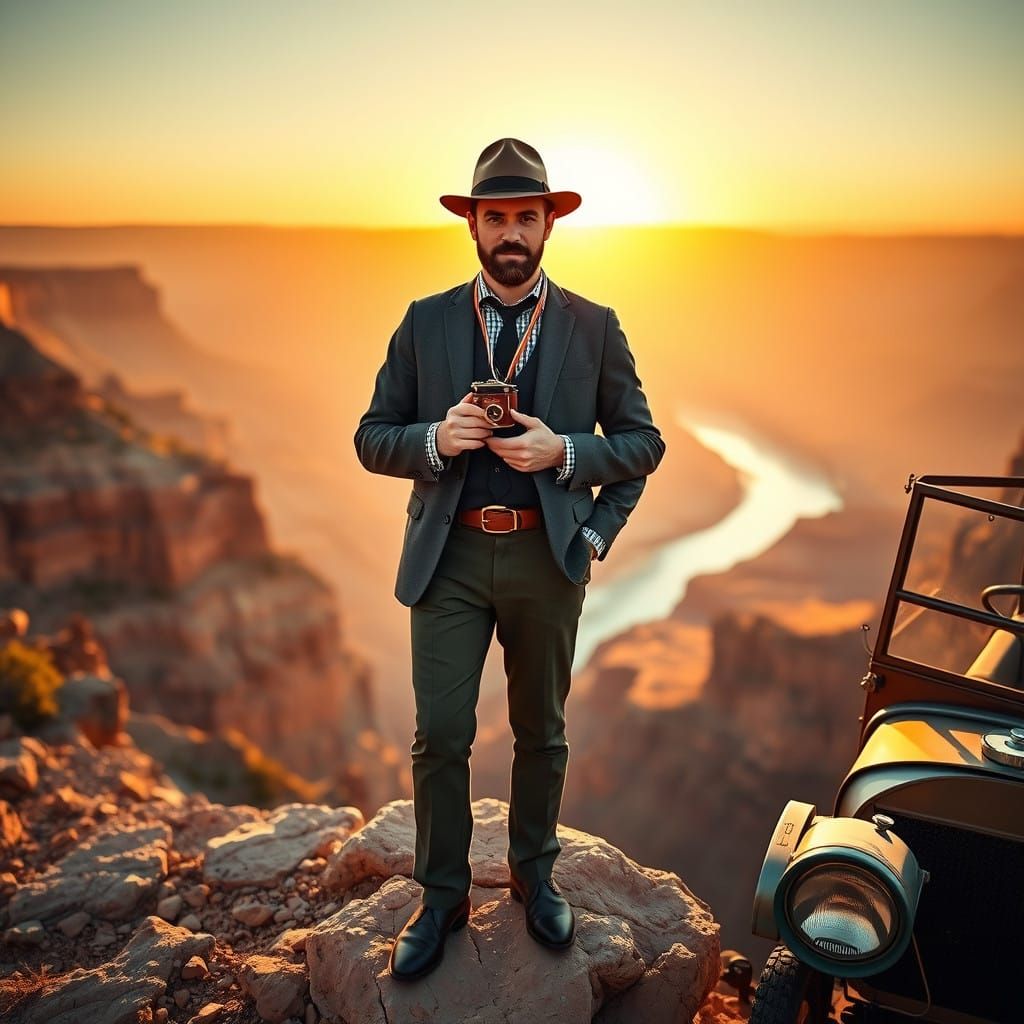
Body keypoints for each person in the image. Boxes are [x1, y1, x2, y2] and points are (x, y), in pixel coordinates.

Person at [354, 138, 665, 981]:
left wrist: (568, 465)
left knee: (543, 733)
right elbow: (370, 437)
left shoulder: (594, 327)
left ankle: (535, 878)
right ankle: (442, 895)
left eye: (527, 216)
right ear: (474, 227)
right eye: (497, 218)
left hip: (545, 559)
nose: (512, 233)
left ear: (548, 225)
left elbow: (643, 444)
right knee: (441, 735)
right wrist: (432, 438)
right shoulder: (424, 321)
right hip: (448, 558)